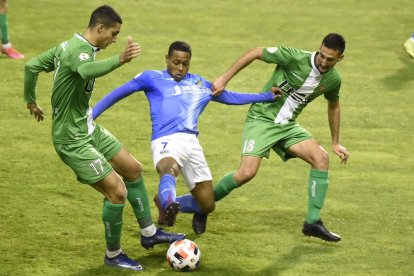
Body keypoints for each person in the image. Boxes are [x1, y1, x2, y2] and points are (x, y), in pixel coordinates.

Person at [24, 5, 184, 271]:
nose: (115, 39)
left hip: (87, 127)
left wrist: (31, 101)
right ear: (100, 28)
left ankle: (149, 233)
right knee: (117, 192)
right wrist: (120, 60)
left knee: (133, 170)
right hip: (71, 140)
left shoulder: (67, 46)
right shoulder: (81, 51)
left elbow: (31, 66)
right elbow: (86, 71)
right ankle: (113, 254)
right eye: (113, 33)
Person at [92, 41, 282, 234]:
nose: (180, 68)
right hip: (166, 139)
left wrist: (265, 96)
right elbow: (115, 95)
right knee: (168, 168)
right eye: (176, 62)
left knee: (207, 205)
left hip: (191, 144)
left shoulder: (199, 83)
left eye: (185, 64)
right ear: (166, 59)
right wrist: (91, 117)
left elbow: (229, 96)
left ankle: (166, 201)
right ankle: (168, 202)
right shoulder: (151, 78)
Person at [201, 33, 349, 242]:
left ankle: (312, 223)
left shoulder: (334, 80)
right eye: (322, 55)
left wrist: (335, 141)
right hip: (262, 119)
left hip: (287, 127)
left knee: (321, 159)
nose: (324, 62)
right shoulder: (294, 57)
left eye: (330, 59)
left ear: (340, 58)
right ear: (319, 47)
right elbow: (255, 52)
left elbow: (333, 105)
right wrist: (224, 78)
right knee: (246, 173)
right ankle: (203, 206)